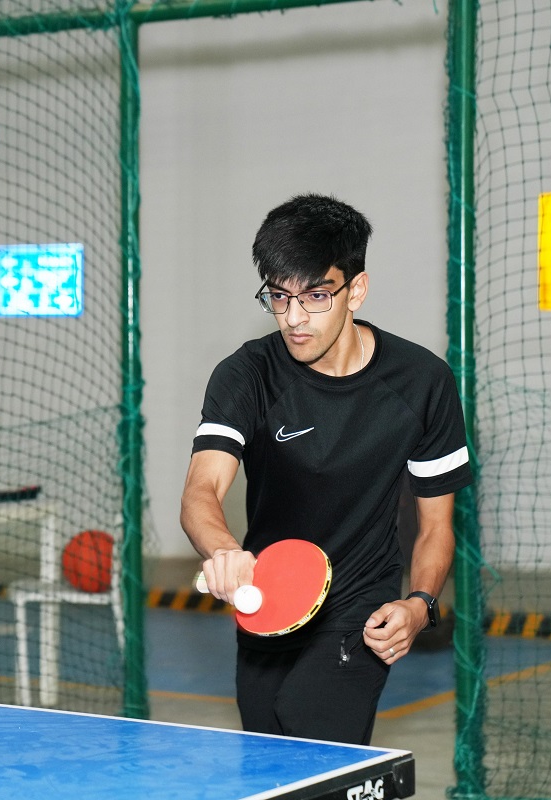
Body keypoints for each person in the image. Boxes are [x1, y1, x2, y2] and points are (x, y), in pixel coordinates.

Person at [179, 193, 472, 745]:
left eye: (315, 296)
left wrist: (421, 604)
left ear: (355, 289)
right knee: (269, 756)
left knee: (311, 730)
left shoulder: (421, 383)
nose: (294, 318)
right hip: (268, 601)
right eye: (279, 297)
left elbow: (436, 526)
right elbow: (201, 490)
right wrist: (224, 551)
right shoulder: (247, 375)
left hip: (360, 605)